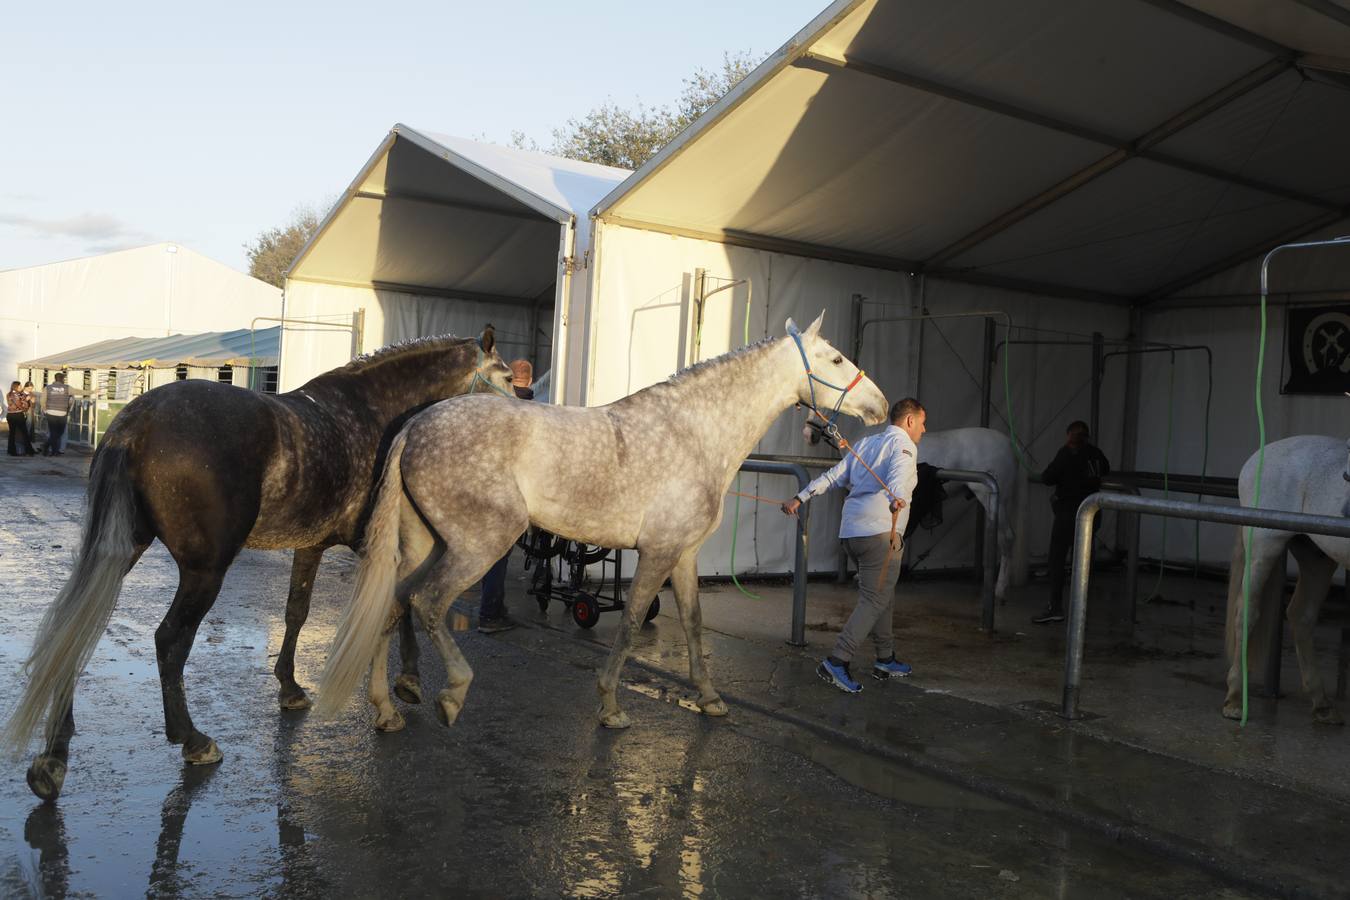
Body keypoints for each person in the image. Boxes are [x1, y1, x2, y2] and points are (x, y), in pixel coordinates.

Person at [783, 398, 926, 693]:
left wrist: (801, 497)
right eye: (922, 423)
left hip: (851, 534)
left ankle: (885, 658)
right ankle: (838, 660)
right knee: (874, 599)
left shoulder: (864, 444)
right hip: (879, 535)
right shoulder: (905, 447)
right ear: (910, 421)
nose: (923, 430)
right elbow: (899, 476)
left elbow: (833, 477)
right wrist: (896, 496)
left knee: (880, 594)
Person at [478, 359, 536, 634]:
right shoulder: (535, 412)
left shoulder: (495, 410)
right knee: (499, 554)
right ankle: (490, 614)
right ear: (531, 381)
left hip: (490, 489)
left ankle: (495, 606)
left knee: (492, 552)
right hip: (518, 494)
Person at [1032, 420, 1110, 625]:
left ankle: (1055, 606)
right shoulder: (1096, 453)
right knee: (1081, 562)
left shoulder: (1066, 454)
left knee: (1057, 560)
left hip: (1069, 514)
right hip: (1093, 513)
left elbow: (1048, 477)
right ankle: (1079, 607)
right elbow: (1106, 470)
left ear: (1069, 437)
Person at [40, 372, 76, 456]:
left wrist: (45, 410)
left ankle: (49, 448)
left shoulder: (48, 388)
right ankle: (52, 449)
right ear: (62, 379)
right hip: (63, 413)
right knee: (60, 433)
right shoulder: (67, 388)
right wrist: (92, 391)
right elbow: (77, 394)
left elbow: (42, 400)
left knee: (53, 433)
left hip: (50, 413)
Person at [7, 381, 35, 456]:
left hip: (11, 415)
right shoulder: (14, 394)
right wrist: (26, 401)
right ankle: (29, 451)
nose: (21, 388)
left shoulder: (11, 394)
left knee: (12, 434)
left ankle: (11, 450)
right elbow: (20, 405)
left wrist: (25, 400)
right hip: (17, 415)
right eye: (19, 386)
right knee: (24, 433)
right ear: (15, 387)